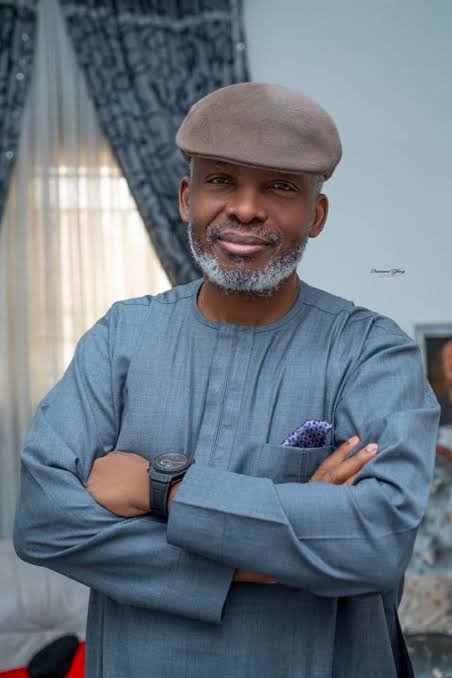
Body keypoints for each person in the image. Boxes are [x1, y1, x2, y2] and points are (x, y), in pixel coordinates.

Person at [14, 82, 440, 677]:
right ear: (187, 197)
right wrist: (264, 559)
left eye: (280, 186)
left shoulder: (371, 353)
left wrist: (164, 490)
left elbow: (376, 543)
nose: (244, 208)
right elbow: (42, 522)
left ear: (316, 215)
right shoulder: (120, 338)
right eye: (221, 180)